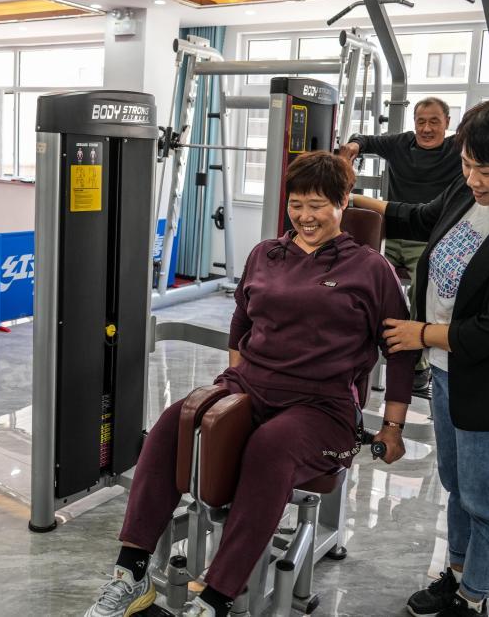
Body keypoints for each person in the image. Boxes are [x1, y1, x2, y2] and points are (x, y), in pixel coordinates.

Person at [84, 151, 416, 617]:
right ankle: (131, 573)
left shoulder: (371, 269)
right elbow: (241, 321)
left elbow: (401, 351)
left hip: (322, 406)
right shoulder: (266, 254)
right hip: (251, 386)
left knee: (270, 448)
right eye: (296, 204)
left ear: (343, 203)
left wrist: (393, 427)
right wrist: (238, 381)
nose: (305, 216)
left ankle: (216, 599)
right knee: (171, 424)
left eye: (317, 205)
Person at [350, 98, 489, 617]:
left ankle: (473, 598)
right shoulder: (467, 189)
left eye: (485, 171)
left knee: (488, 501)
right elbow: (420, 217)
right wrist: (350, 198)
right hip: (448, 373)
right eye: (467, 165)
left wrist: (421, 333)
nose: (472, 179)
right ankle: (457, 573)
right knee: (457, 486)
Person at [337, 97, 463, 391]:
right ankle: (351, 351)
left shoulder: (457, 149)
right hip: (390, 237)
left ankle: (416, 364)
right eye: (421, 121)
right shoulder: (401, 144)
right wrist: (353, 147)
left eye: (434, 122)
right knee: (359, 277)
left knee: (425, 289)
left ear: (447, 123)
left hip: (428, 241)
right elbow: (364, 139)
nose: (427, 129)